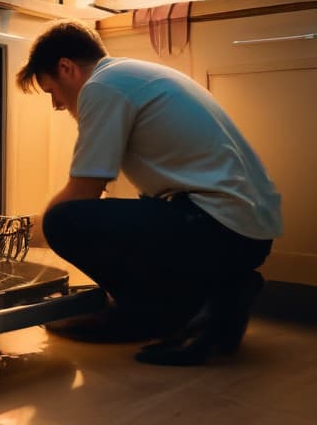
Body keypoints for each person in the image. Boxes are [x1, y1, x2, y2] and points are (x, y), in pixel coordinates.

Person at [15, 19, 282, 366]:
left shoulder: (102, 86)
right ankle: (218, 294)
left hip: (220, 227)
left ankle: (143, 316)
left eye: (51, 91)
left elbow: (84, 192)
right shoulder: (132, 75)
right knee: (127, 210)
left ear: (66, 68)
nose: (56, 105)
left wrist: (28, 233)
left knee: (63, 221)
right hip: (243, 232)